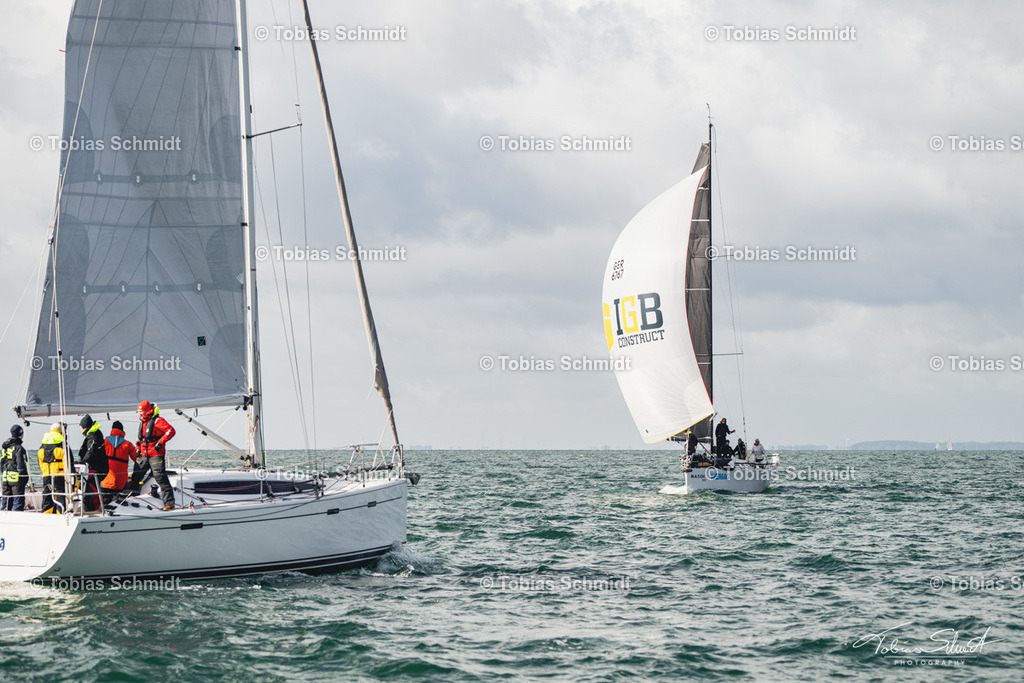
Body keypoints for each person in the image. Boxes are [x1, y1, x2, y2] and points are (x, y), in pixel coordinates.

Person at [135, 400, 176, 511]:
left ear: (147, 411)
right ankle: (133, 497)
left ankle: (169, 503)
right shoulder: (143, 422)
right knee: (136, 474)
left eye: (141, 412)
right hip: (144, 454)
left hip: (156, 454)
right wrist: (138, 449)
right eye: (138, 412)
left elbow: (170, 431)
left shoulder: (158, 421)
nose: (140, 414)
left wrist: (160, 442)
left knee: (160, 477)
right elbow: (140, 439)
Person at [100, 420, 137, 506]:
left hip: (105, 481)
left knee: (104, 503)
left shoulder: (104, 442)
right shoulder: (128, 444)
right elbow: (137, 459)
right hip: (121, 483)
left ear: (112, 429)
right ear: (122, 431)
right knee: (119, 504)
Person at [78, 415, 106, 512]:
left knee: (91, 489)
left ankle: (94, 509)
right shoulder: (93, 434)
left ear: (84, 427)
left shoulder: (93, 436)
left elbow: (91, 451)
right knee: (90, 489)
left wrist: (83, 461)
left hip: (96, 468)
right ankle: (93, 508)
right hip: (96, 467)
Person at [38, 423, 67, 514]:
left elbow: (40, 463)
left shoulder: (42, 446)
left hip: (46, 475)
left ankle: (46, 515)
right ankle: (60, 514)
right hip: (59, 475)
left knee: (47, 495)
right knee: (60, 495)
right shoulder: (63, 446)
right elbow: (69, 464)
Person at [1, 425, 29, 511]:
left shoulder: (5, 448)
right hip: (16, 479)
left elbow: (1, 463)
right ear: (20, 434)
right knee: (18, 503)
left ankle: (3, 521)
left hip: (5, 478)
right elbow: (21, 465)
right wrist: (24, 478)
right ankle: (17, 520)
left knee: (6, 503)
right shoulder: (19, 448)